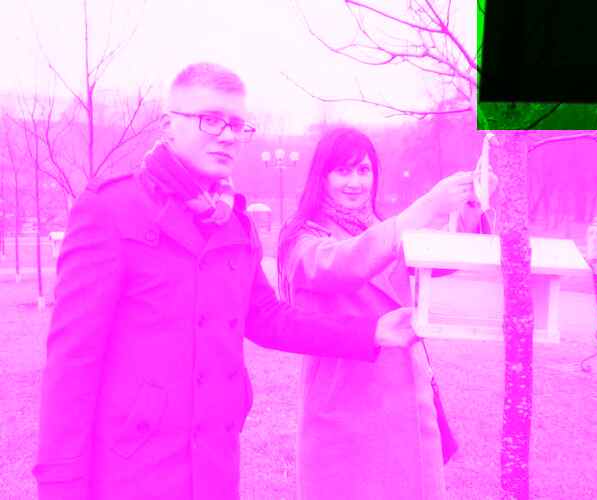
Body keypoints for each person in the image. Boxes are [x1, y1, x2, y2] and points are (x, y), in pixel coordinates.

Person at [32, 64, 417, 500]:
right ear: (168, 125)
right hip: (132, 470)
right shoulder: (111, 211)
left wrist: (371, 332)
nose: (227, 135)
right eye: (211, 120)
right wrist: (60, 486)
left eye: (237, 125)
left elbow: (269, 319)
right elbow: (72, 361)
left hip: (214, 466)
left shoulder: (234, 223)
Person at [277, 126, 497, 500]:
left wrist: (470, 210)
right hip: (344, 404)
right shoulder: (302, 237)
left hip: (406, 399)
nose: (355, 182)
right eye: (343, 171)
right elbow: (341, 265)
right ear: (321, 177)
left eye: (363, 170)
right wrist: (424, 208)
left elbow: (434, 260)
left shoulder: (380, 230)